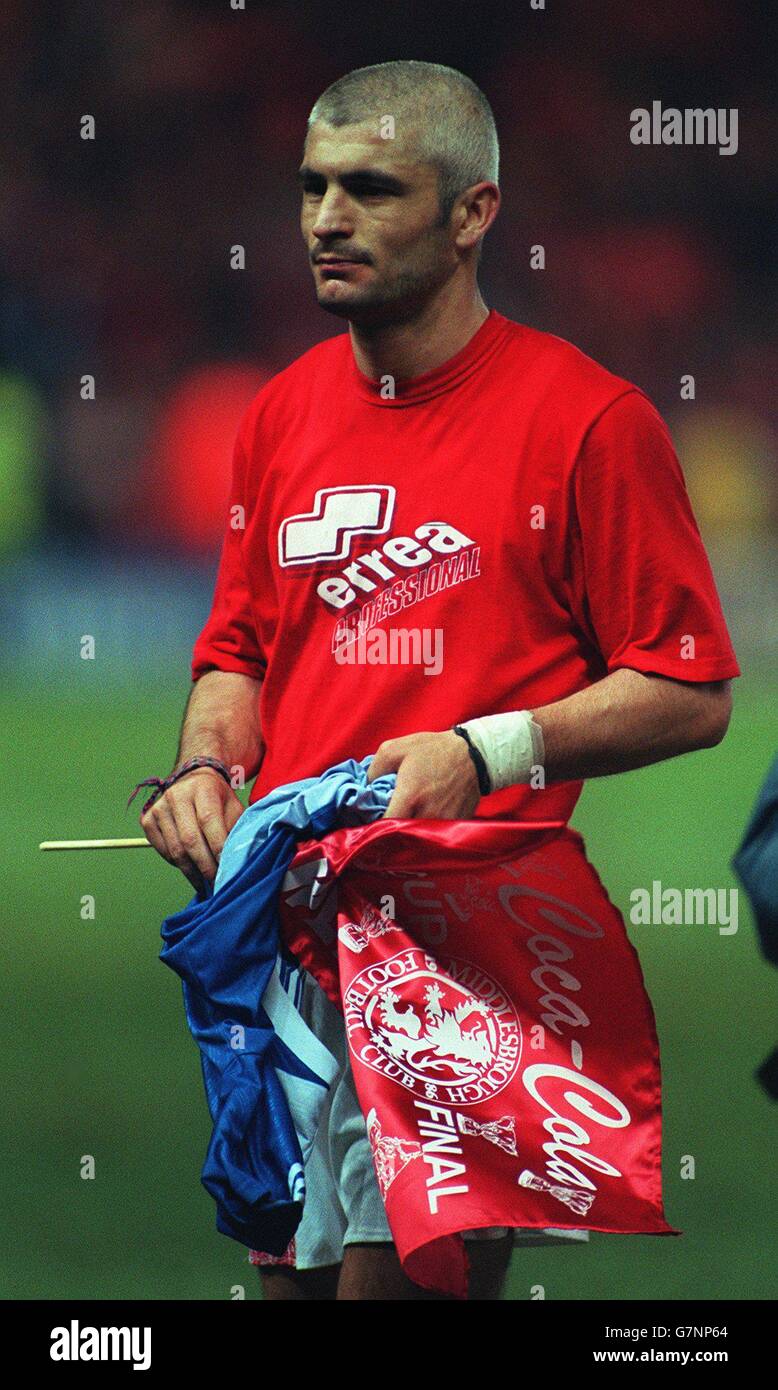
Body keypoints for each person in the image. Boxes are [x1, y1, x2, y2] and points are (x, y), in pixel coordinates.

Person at [139, 61, 740, 1300]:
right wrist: (206, 763)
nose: (324, 218)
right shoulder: (280, 414)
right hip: (289, 944)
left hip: (464, 958)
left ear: (474, 212)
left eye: (369, 188)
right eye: (311, 186)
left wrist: (485, 752)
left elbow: (690, 688)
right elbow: (239, 650)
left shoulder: (589, 421)